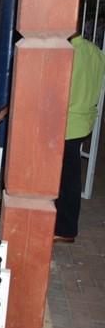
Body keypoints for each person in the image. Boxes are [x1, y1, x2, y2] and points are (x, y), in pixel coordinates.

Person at [54, 33, 105, 243]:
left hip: (67, 123)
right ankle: (62, 224)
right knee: (68, 178)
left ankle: (66, 230)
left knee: (67, 181)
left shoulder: (66, 53)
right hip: (84, 121)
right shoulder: (94, 51)